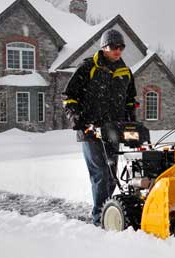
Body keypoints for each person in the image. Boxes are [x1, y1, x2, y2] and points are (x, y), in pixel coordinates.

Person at [62, 29, 137, 226]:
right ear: (104, 47)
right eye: (114, 47)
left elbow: (130, 102)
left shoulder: (125, 72)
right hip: (90, 130)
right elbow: (69, 96)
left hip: (114, 131)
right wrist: (76, 118)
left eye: (121, 47)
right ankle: (99, 219)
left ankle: (107, 214)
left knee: (112, 177)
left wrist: (131, 124)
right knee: (101, 175)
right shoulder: (88, 68)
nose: (118, 50)